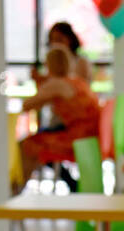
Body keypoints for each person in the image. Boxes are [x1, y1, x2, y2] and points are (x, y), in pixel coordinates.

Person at [17, 45, 101, 193]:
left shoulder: (56, 84)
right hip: (92, 136)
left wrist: (41, 83)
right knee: (41, 138)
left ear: (49, 65)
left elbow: (27, 105)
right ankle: (69, 181)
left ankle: (17, 191)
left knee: (28, 144)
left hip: (77, 139)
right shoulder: (77, 81)